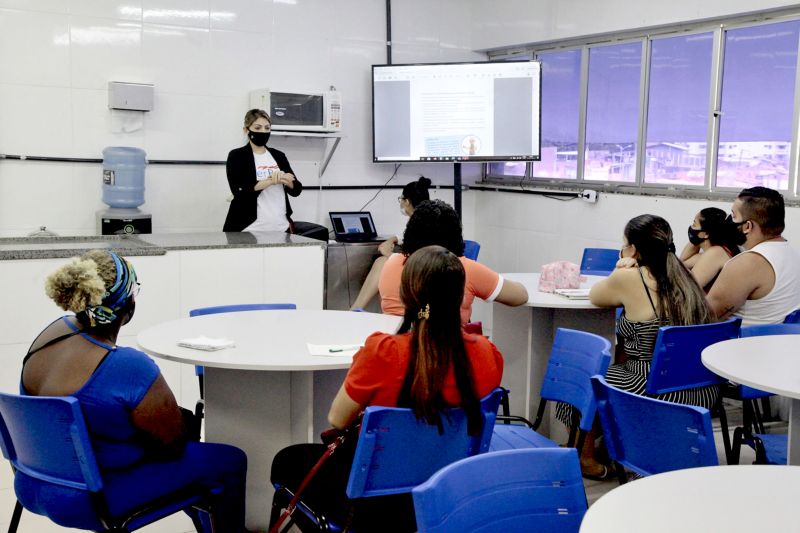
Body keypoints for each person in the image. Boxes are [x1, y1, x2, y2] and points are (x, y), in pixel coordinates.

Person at [270, 245, 504, 531]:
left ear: (406, 295)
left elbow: (337, 419)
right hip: (448, 495)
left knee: (287, 461)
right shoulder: (488, 354)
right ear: (460, 295)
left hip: (376, 505)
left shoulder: (383, 352)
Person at [20, 250, 247, 531]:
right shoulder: (128, 367)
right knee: (229, 460)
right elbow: (174, 446)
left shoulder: (50, 334)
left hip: (32, 481)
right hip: (92, 498)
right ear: (127, 306)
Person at [567, 214, 714, 479]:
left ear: (633, 249)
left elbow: (596, 295)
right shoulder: (685, 275)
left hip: (651, 385)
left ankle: (586, 459)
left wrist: (620, 268)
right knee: (616, 372)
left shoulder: (631, 277)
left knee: (583, 383)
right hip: (700, 387)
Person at [378, 199, 528, 323]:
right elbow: (520, 296)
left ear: (410, 232)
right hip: (448, 355)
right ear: (455, 234)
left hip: (395, 352)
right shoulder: (463, 268)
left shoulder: (391, 263)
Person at [707, 186, 800, 325]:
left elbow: (704, 316)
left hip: (741, 343)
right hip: (781, 342)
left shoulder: (747, 263)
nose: (729, 221)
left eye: (733, 216)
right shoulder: (793, 254)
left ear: (747, 226)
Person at [350, 176, 432, 310]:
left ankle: (355, 309)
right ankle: (356, 309)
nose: (400, 203)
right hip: (423, 265)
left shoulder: (420, 223)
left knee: (382, 263)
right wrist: (394, 238)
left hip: (422, 269)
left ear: (407, 201)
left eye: (401, 199)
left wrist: (390, 255)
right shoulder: (424, 218)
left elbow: (417, 258)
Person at [679, 207, 741, 291]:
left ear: (706, 233)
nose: (691, 227)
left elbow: (688, 289)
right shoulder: (710, 252)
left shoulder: (715, 253)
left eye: (694, 224)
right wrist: (696, 239)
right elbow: (681, 264)